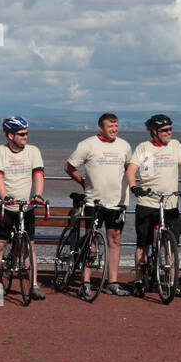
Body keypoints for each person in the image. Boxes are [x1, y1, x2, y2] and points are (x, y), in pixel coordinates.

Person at [125, 114, 181, 296]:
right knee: (143, 244)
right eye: (164, 130)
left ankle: (173, 283)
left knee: (171, 246)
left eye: (170, 129)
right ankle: (139, 281)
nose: (169, 133)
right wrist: (134, 186)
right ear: (154, 132)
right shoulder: (143, 147)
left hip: (170, 203)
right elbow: (131, 169)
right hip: (147, 202)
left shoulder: (175, 145)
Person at [66, 113, 133, 297]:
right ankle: (85, 282)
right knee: (91, 241)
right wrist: (83, 183)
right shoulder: (87, 144)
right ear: (100, 128)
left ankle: (113, 282)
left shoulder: (124, 146)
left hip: (117, 202)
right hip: (93, 202)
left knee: (115, 239)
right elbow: (69, 167)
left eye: (116, 126)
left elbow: (130, 169)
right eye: (110, 126)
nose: (114, 129)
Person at [0, 116, 47, 299]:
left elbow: (38, 174)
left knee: (29, 245)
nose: (25, 137)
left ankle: (34, 285)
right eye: (21, 134)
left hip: (26, 206)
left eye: (27, 133)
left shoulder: (33, 151)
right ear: (10, 135)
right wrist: (4, 196)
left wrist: (37, 194)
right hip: (6, 207)